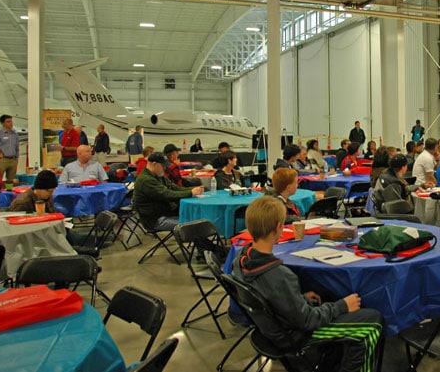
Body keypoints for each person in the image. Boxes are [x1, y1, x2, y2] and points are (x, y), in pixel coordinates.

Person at [231, 196, 384, 372]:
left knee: (326, 297)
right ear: (278, 228)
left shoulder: (241, 258)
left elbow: (272, 297)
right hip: (294, 334)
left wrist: (299, 298)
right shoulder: (278, 275)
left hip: (271, 326)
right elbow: (308, 320)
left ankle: (332, 359)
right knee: (373, 322)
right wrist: (342, 306)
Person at [133, 152, 203, 230]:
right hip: (155, 219)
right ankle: (201, 242)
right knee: (195, 224)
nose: (165, 168)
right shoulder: (145, 180)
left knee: (199, 219)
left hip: (166, 213)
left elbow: (175, 188)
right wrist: (191, 193)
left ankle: (201, 242)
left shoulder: (159, 176)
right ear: (154, 164)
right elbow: (167, 194)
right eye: (163, 166)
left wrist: (194, 189)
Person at [0, 114, 19, 182]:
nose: (11, 123)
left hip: (13, 160)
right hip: (2, 160)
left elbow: (17, 147)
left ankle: (10, 192)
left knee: (12, 180)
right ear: (3, 123)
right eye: (8, 121)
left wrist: (17, 158)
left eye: (11, 121)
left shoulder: (15, 134)